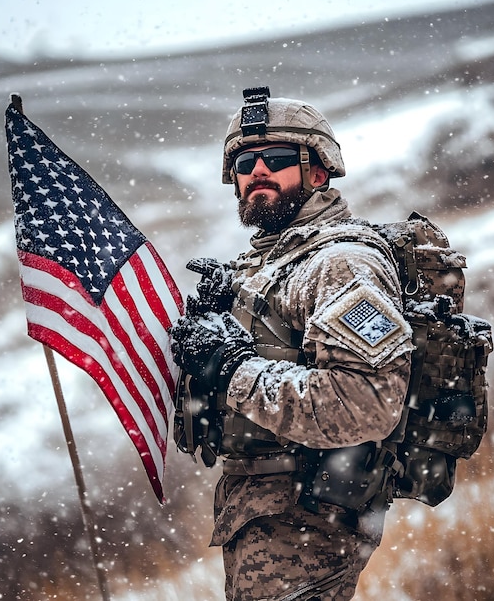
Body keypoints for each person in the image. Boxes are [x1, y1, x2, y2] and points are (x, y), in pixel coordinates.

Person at [170, 87, 414, 601]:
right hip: (264, 515)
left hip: (308, 519)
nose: (257, 169)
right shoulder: (272, 265)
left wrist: (233, 368)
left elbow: (367, 405)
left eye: (277, 159)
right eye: (244, 161)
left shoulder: (340, 264)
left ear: (319, 172)